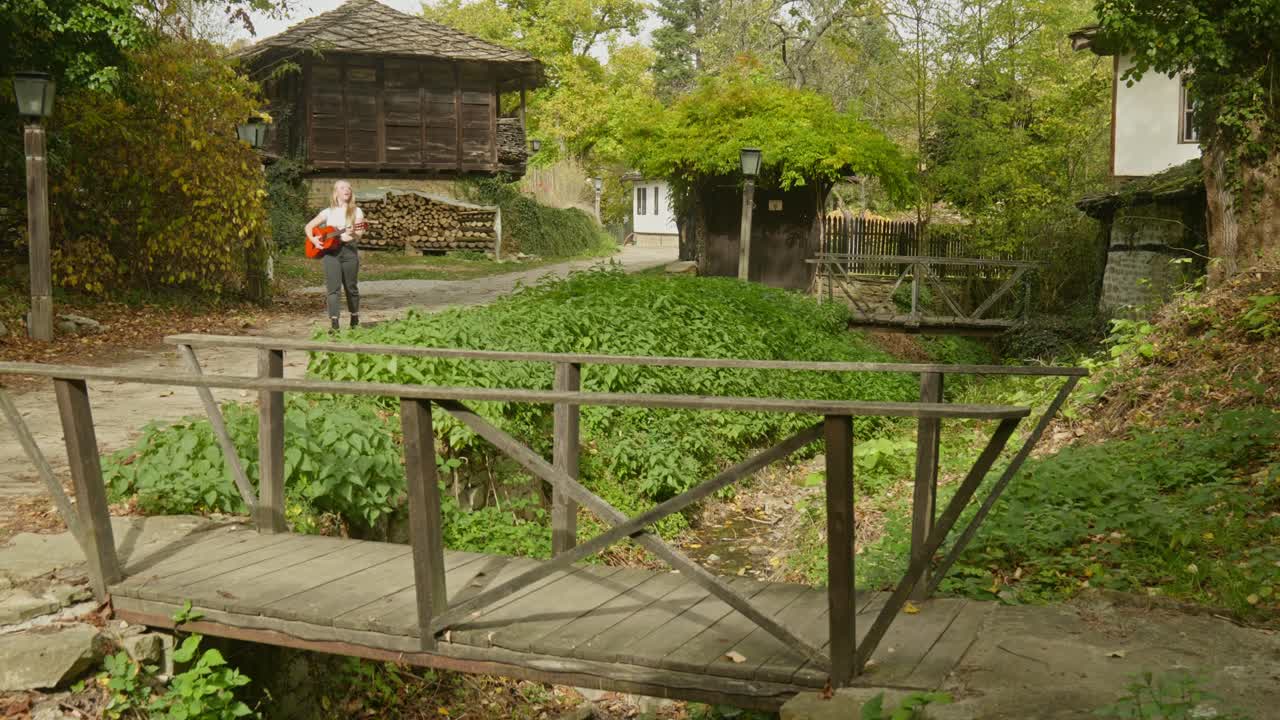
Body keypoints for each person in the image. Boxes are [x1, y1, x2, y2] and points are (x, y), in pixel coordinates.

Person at [305, 180, 365, 332]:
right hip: (331, 253)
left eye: (349, 188)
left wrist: (351, 233)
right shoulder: (327, 212)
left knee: (351, 287)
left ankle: (354, 319)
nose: (347, 190)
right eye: (343, 187)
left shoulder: (356, 211)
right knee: (333, 289)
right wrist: (313, 240)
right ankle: (334, 324)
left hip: (349, 251)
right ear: (335, 192)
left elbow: (359, 233)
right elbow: (309, 227)